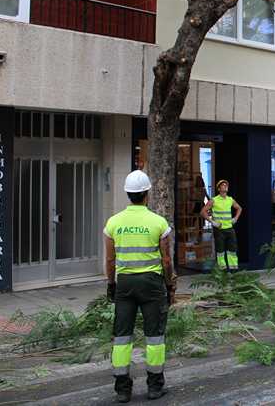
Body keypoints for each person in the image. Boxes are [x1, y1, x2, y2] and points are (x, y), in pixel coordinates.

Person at [103, 170, 175, 403]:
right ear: (147, 194)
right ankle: (155, 386)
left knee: (122, 336)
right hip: (152, 285)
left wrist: (111, 284)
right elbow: (166, 259)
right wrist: (169, 284)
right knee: (154, 336)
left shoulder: (114, 223)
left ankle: (122, 389)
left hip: (125, 285)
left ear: (127, 193)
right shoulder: (158, 222)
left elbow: (110, 260)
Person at [201, 180, 242, 271]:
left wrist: (235, 218)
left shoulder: (230, 199)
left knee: (232, 250)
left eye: (226, 185)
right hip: (219, 230)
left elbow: (239, 208)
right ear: (219, 189)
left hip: (230, 229)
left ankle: (234, 270)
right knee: (220, 251)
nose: (225, 186)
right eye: (223, 185)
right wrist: (212, 222)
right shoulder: (214, 200)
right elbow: (203, 212)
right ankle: (222, 271)